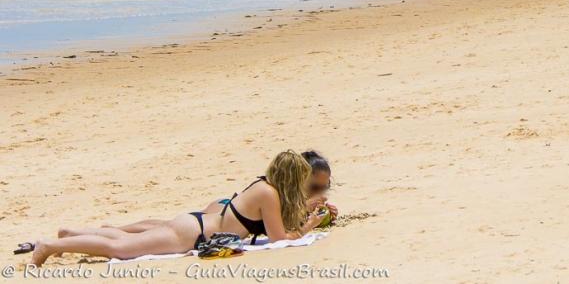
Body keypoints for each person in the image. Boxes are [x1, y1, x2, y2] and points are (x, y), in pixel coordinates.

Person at [23, 151, 323, 267]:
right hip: (192, 234)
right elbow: (280, 237)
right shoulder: (269, 195)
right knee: (121, 249)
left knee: (123, 242)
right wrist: (308, 226)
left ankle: (69, 234)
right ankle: (51, 245)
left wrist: (308, 208)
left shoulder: (263, 186)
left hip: (194, 224)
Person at [111, 150, 336, 235]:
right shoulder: (282, 190)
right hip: (229, 212)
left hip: (229, 207)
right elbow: (280, 225)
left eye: (324, 188)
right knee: (170, 228)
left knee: (167, 226)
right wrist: (308, 219)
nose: (318, 192)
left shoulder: (282, 186)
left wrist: (321, 213)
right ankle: (117, 231)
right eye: (315, 187)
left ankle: (117, 230)